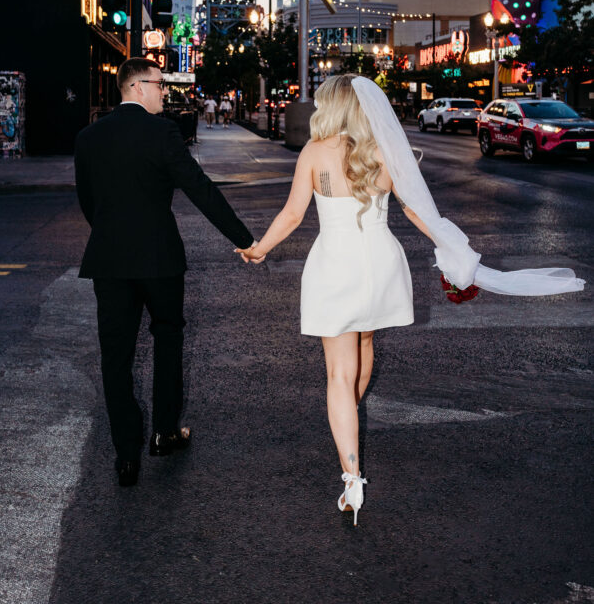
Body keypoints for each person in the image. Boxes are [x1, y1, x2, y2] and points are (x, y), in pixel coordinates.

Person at [236, 74, 584, 525]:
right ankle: (349, 424)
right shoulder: (382, 152)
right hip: (380, 261)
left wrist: (261, 247)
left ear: (333, 108)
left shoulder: (314, 153)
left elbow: (293, 214)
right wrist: (455, 251)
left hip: (335, 264)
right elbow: (417, 209)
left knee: (339, 375)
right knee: (363, 347)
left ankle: (351, 476)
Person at [75, 57, 256, 487]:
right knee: (168, 338)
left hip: (110, 262)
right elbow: (200, 189)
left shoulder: (87, 138)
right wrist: (245, 239)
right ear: (137, 87)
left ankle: (126, 454)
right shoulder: (162, 132)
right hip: (159, 259)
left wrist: (111, 236)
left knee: (115, 357)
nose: (164, 93)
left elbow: (89, 203)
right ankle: (164, 432)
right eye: (159, 86)